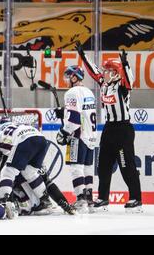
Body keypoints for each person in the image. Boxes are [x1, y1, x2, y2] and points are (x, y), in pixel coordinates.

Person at [76, 42, 142, 212]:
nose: (104, 73)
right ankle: (103, 198)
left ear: (115, 73)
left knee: (126, 165)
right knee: (103, 166)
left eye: (108, 71)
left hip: (123, 130)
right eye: (105, 71)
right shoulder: (104, 85)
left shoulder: (123, 87)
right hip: (109, 129)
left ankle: (136, 198)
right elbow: (93, 71)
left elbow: (129, 80)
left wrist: (125, 64)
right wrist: (83, 56)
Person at [0, 121, 53, 219]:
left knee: (7, 172)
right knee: (30, 172)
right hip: (41, 138)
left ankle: (3, 203)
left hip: (24, 141)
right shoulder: (14, 125)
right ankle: (45, 202)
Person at [55, 65, 97, 213]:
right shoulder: (88, 92)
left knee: (75, 168)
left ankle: (81, 199)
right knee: (87, 168)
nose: (66, 80)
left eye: (68, 76)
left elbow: (73, 120)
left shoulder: (72, 92)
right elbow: (80, 113)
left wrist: (63, 132)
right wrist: (64, 113)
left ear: (74, 77)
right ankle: (89, 198)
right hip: (90, 136)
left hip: (78, 135)